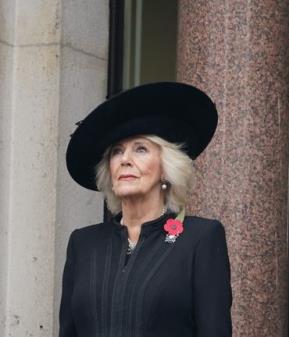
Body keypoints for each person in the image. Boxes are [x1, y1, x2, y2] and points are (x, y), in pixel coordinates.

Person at [59, 82, 232, 337]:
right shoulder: (83, 244)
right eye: (117, 152)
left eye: (140, 149)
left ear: (165, 167)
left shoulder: (200, 238)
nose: (125, 159)